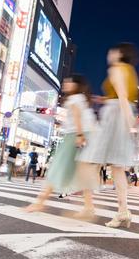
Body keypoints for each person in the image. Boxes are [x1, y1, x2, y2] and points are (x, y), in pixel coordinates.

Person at [76, 43, 139, 227]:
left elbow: (120, 94)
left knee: (88, 159)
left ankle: (88, 206)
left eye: (112, 51)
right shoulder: (131, 71)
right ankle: (123, 211)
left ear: (119, 54)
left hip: (115, 115)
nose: (109, 53)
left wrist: (127, 119)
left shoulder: (116, 68)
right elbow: (123, 96)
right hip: (122, 112)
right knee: (118, 168)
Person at [26, 75, 99, 217]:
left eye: (69, 82)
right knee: (81, 173)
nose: (65, 83)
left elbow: (77, 116)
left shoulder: (74, 99)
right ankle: (88, 207)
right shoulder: (82, 99)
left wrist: (79, 135)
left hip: (74, 136)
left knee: (57, 168)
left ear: (76, 85)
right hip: (86, 135)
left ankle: (39, 202)